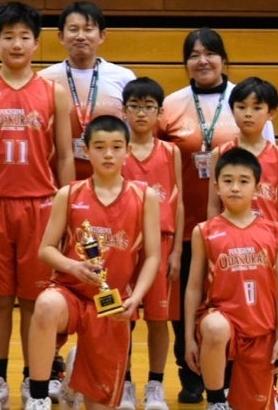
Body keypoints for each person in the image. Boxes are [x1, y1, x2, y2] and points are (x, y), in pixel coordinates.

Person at [0, 1, 73, 410]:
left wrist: (69, 208)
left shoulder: (54, 92)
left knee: (33, 302)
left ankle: (32, 380)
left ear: (37, 43)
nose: (17, 43)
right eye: (8, 36)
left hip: (40, 205)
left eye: (25, 36)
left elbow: (64, 155)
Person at [158, 28, 275, 404]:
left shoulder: (245, 100)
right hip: (185, 223)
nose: (202, 60)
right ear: (185, 62)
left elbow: (265, 169)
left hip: (235, 228)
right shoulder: (171, 104)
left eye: (210, 53)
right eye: (193, 55)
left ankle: (231, 377)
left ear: (224, 59)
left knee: (231, 302)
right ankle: (191, 374)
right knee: (185, 300)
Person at [24, 114, 161, 410]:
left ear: (128, 150)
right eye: (99, 147)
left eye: (116, 147)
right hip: (71, 293)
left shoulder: (145, 197)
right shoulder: (69, 194)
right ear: (86, 151)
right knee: (46, 305)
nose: (108, 154)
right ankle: (38, 396)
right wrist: (72, 266)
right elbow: (46, 249)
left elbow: (152, 256)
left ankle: (77, 369)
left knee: (99, 405)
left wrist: (136, 298)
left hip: (111, 301)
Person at [184, 148, 278, 410]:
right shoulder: (204, 231)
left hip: (260, 329)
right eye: (228, 180)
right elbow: (194, 288)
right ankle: (216, 401)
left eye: (243, 181)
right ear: (217, 187)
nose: (235, 187)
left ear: (257, 189)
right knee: (215, 328)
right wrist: (189, 339)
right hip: (223, 318)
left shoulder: (274, 231)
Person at [119, 77, 183, 410]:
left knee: (159, 318)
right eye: (135, 106)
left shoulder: (170, 151)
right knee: (123, 316)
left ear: (160, 112)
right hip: (125, 245)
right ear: (124, 110)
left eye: (148, 107)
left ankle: (155, 385)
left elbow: (179, 202)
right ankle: (125, 382)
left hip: (163, 242)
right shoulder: (117, 150)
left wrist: (178, 251)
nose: (141, 113)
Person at [38, 0, 136, 181]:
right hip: (56, 179)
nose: (80, 36)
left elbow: (134, 133)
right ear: (61, 36)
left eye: (88, 29)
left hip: (112, 180)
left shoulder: (123, 77)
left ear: (102, 35)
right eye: (73, 29)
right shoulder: (44, 79)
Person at [207, 76, 278, 273]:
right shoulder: (220, 153)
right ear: (232, 110)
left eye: (256, 108)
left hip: (267, 243)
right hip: (228, 244)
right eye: (241, 107)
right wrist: (211, 248)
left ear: (271, 113)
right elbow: (213, 204)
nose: (248, 114)